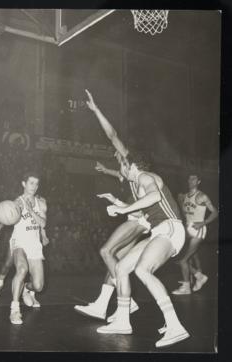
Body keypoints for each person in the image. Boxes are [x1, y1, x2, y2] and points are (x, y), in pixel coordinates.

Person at [95, 155, 190, 348]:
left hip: (170, 228)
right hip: (158, 231)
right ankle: (122, 321)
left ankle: (175, 326)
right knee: (121, 268)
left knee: (142, 270)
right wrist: (117, 203)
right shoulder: (139, 185)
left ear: (131, 166)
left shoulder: (145, 176)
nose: (120, 169)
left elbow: (154, 196)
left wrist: (122, 211)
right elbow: (138, 213)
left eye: (122, 166)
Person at [74, 90, 151, 321]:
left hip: (139, 219)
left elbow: (112, 134)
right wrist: (106, 171)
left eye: (118, 155)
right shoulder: (127, 175)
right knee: (115, 261)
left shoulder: (131, 163)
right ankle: (100, 305)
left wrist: (96, 110)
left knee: (106, 251)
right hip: (137, 219)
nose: (116, 155)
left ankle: (129, 302)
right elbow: (118, 174)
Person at [6, 172, 47, 324]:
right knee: (22, 270)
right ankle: (15, 310)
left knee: (38, 286)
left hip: (34, 245)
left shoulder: (41, 202)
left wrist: (30, 211)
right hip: (19, 242)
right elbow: (6, 216)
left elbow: (43, 223)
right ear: (24, 184)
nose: (34, 187)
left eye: (36, 184)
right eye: (31, 183)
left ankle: (26, 289)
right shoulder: (16, 202)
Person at [172, 174, 218, 294]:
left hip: (198, 229)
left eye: (193, 179)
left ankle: (187, 286)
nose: (190, 181)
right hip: (188, 228)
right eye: (189, 178)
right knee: (185, 257)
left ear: (198, 181)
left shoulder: (202, 196)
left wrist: (203, 223)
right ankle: (198, 277)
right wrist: (179, 201)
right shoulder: (185, 196)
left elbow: (215, 212)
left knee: (183, 260)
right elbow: (185, 213)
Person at [0, 220, 49, 299]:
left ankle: (31, 295)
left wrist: (44, 235)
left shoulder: (39, 207)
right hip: (19, 239)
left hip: (33, 241)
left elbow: (41, 221)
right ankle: (0, 283)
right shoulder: (20, 206)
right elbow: (8, 214)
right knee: (8, 263)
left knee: (34, 271)